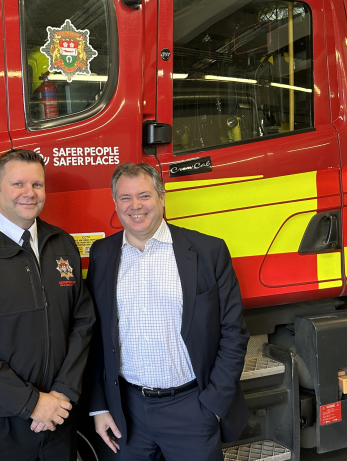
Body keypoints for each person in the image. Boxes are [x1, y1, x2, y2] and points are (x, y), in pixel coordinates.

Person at [86, 162, 249, 461]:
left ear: (162, 198)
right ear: (115, 203)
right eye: (125, 198)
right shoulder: (102, 254)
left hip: (192, 408)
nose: (135, 206)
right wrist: (99, 406)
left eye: (144, 196)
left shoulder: (207, 251)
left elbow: (233, 333)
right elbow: (94, 336)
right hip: (127, 410)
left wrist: (213, 406)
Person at [0, 149, 96, 461]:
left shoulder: (61, 243)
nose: (29, 194)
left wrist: (63, 393)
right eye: (18, 184)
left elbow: (82, 322)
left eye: (37, 185)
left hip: (57, 416)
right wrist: (31, 403)